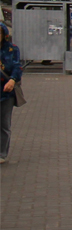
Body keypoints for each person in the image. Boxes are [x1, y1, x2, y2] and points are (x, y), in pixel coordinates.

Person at [1, 22, 23, 164]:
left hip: (5, 92)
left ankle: (1, 153)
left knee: (3, 123)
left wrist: (13, 80)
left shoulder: (12, 49)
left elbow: (17, 67)